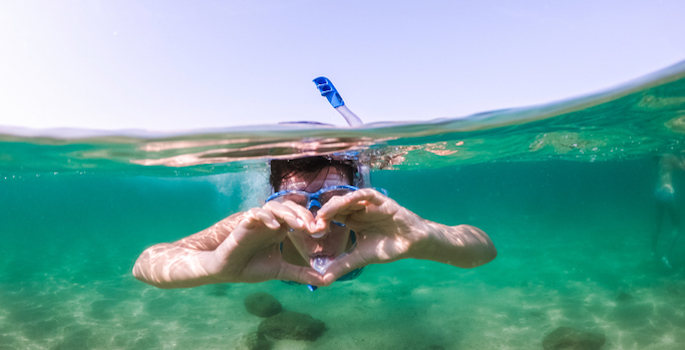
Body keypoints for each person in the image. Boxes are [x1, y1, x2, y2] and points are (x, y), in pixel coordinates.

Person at [132, 155, 497, 289]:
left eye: (335, 206)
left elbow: (483, 248)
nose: (318, 225)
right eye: (294, 207)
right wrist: (211, 266)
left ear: (357, 198)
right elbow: (146, 262)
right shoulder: (256, 228)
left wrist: (427, 239)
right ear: (271, 206)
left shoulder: (378, 224)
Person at [653, 154, 685, 267]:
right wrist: (682, 153)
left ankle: (653, 250)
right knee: (676, 226)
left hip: (658, 192)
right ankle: (665, 257)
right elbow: (683, 167)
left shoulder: (660, 158)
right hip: (667, 192)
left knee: (658, 223)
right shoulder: (670, 156)